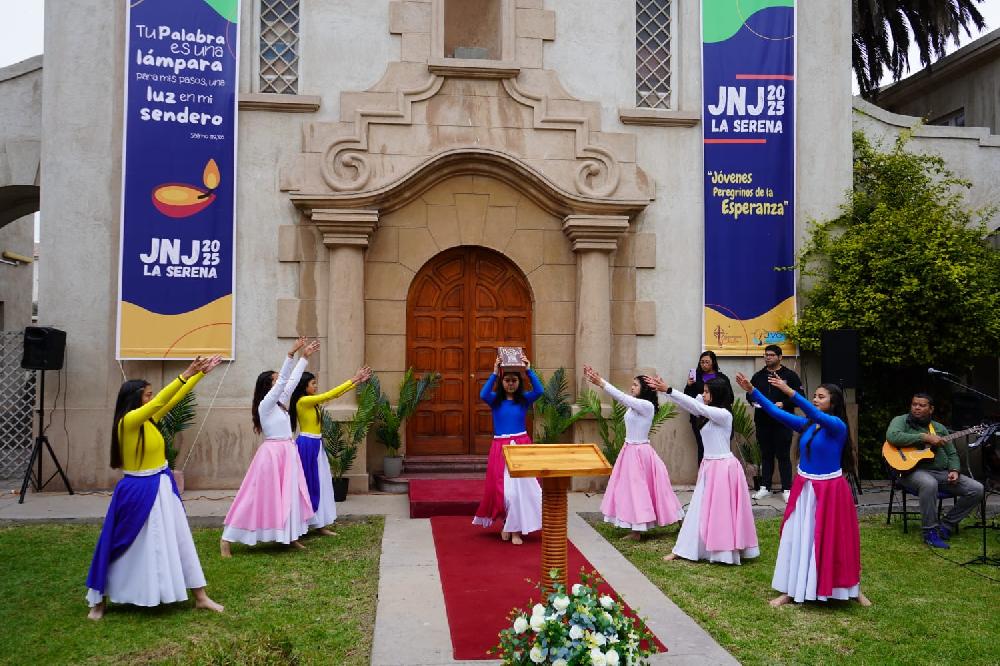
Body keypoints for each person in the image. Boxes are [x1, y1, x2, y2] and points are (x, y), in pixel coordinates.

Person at [86, 354, 225, 620]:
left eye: (151, 395)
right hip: (137, 491)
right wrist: (186, 372)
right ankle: (99, 601)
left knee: (179, 539)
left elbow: (171, 399)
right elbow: (163, 399)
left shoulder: (150, 419)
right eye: (147, 395)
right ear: (135, 398)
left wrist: (200, 374)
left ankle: (201, 597)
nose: (152, 399)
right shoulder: (128, 422)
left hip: (161, 486)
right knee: (121, 544)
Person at [735, 372, 869, 606]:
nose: (816, 400)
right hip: (806, 488)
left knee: (835, 539)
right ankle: (793, 589)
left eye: (821, 397)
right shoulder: (808, 425)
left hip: (830, 491)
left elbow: (814, 412)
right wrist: (752, 391)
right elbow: (776, 412)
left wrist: (789, 392)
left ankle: (851, 588)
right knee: (799, 537)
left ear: (833, 403)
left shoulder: (837, 426)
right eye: (814, 396)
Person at [220, 339, 318, 556]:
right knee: (255, 496)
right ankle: (227, 538)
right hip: (272, 455)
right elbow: (284, 380)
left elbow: (290, 382)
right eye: (274, 381)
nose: (279, 384)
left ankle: (289, 536)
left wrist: (305, 357)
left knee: (289, 495)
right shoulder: (265, 405)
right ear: (268, 386)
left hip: (287, 452)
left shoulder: (280, 402)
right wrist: (290, 354)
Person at [649, 375, 758, 563]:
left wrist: (669, 390)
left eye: (707, 392)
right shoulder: (708, 410)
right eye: (704, 391)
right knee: (700, 509)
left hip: (723, 468)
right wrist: (667, 391)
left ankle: (723, 551)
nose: (703, 394)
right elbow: (692, 405)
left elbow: (698, 407)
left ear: (717, 394)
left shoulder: (724, 414)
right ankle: (686, 548)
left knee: (722, 512)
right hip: (710, 466)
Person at [585, 366, 684, 540]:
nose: (632, 387)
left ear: (644, 389)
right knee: (631, 490)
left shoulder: (646, 405)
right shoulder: (636, 405)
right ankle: (636, 528)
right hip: (629, 450)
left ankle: (650, 527)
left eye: (635, 385)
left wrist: (602, 383)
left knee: (645, 490)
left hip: (640, 452)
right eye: (632, 384)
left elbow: (622, 398)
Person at [885, 393, 985, 548]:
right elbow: (893, 437)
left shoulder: (939, 428)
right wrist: (924, 438)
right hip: (910, 472)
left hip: (940, 473)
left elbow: (952, 453)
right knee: (929, 483)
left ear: (931, 409)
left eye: (922, 405)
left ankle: (945, 526)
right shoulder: (901, 420)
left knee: (977, 489)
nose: (917, 408)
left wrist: (954, 470)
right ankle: (929, 532)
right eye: (914, 404)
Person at [288, 365, 372, 536]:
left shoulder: (310, 401)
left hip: (316, 445)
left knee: (321, 482)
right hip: (307, 446)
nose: (315, 386)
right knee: (309, 484)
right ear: (304, 386)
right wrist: (354, 379)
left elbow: (335, 395)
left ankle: (320, 523)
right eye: (313, 383)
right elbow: (330, 395)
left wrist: (355, 383)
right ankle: (303, 524)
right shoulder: (303, 401)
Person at [472, 351, 543, 544]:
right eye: (507, 380)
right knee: (504, 490)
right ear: (502, 383)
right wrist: (495, 372)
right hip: (501, 448)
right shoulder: (495, 400)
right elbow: (483, 393)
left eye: (514, 380)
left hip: (521, 447)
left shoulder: (524, 400)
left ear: (519, 383)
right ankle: (506, 523)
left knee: (523, 490)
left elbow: (539, 391)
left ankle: (516, 530)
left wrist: (529, 371)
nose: (511, 383)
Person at [745, 345, 803, 502]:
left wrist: (783, 404)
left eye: (771, 355)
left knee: (783, 455)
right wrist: (753, 402)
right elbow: (749, 394)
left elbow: (799, 396)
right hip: (763, 422)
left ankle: (787, 488)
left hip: (783, 422)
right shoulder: (758, 376)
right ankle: (765, 487)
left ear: (780, 357)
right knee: (766, 455)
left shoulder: (790, 376)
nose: (767, 357)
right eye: (766, 355)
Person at [683, 351, 728, 465]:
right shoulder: (696, 377)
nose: (704, 364)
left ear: (713, 363)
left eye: (707, 362)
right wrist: (688, 385)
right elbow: (687, 398)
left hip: (717, 417)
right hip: (699, 418)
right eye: (702, 362)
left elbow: (729, 397)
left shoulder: (721, 378)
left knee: (718, 448)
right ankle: (703, 475)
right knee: (702, 447)